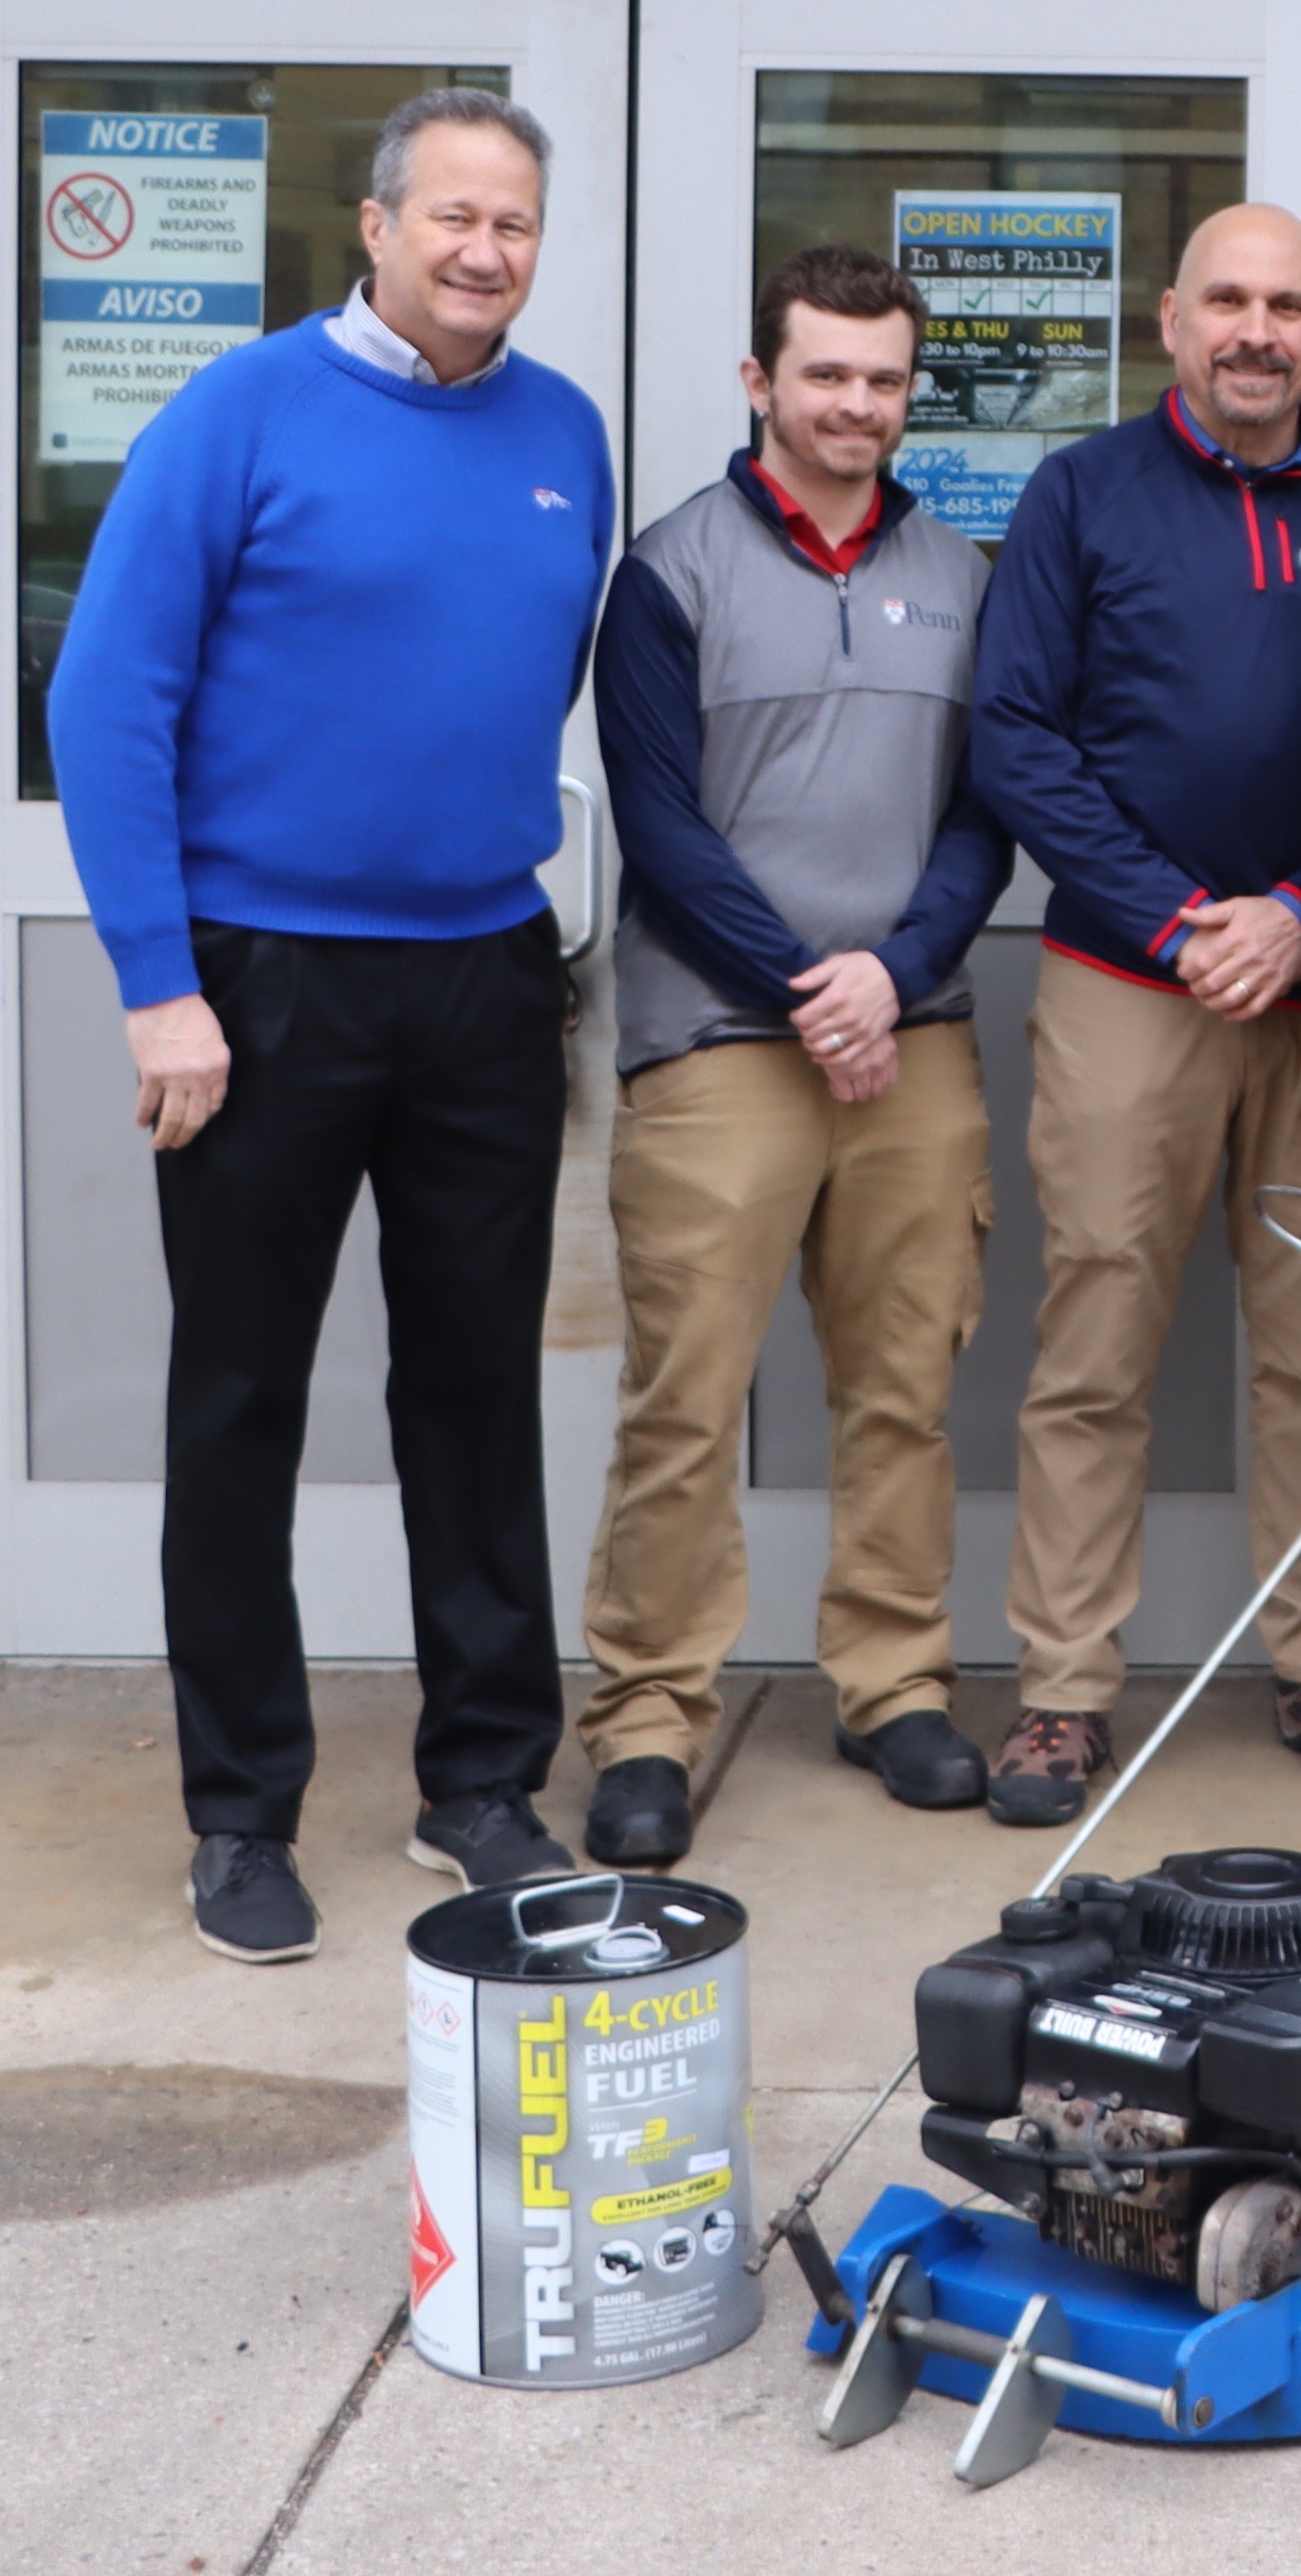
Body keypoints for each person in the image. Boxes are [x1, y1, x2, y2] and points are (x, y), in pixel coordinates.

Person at [49, 87, 613, 1963]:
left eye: (514, 223)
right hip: (260, 980)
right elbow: (106, 701)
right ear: (372, 229)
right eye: (450, 215)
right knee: (240, 1398)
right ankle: (241, 1810)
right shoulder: (241, 413)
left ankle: (480, 1783)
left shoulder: (562, 434)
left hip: (478, 976)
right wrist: (159, 983)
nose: (483, 250)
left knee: (471, 1394)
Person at [969, 207, 1301, 1828]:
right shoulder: (1081, 495)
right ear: (1171, 318)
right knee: (1094, 1343)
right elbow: (1017, 736)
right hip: (1124, 983)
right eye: (1227, 298)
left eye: (1284, 304)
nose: (1255, 328)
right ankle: (1062, 1691)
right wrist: (1174, 915)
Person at [574, 243, 1015, 1859]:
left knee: (904, 1388)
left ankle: (893, 1684)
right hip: (717, 1046)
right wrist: (806, 983)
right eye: (825, 373)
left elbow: (985, 812)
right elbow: (659, 823)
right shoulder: (669, 571)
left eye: (885, 378)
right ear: (760, 382)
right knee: (682, 1399)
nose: (857, 404)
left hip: (913, 1045)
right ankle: (645, 1717)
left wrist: (890, 978)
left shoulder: (963, 576)